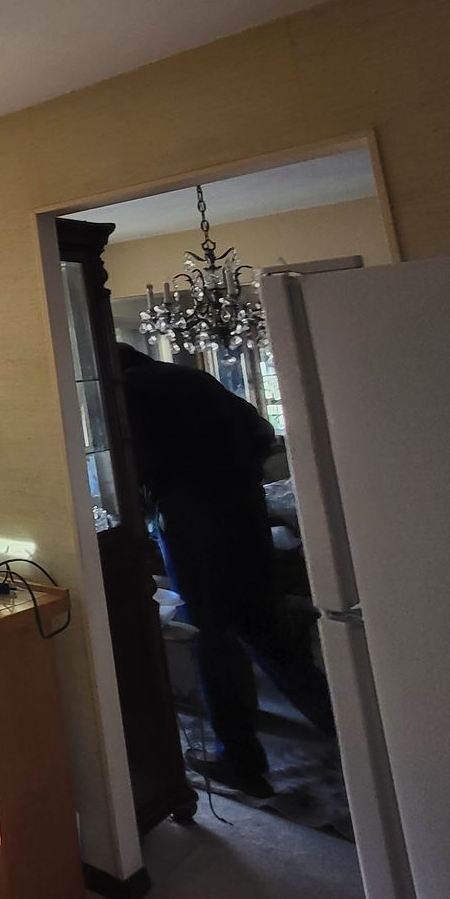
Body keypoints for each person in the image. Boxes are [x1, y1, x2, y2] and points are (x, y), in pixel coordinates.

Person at [116, 342, 336, 798]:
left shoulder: (129, 391)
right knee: (265, 628)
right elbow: (261, 431)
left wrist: (151, 504)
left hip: (192, 524)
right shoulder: (193, 378)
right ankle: (349, 728)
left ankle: (241, 761)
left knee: (210, 639)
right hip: (245, 514)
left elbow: (134, 467)